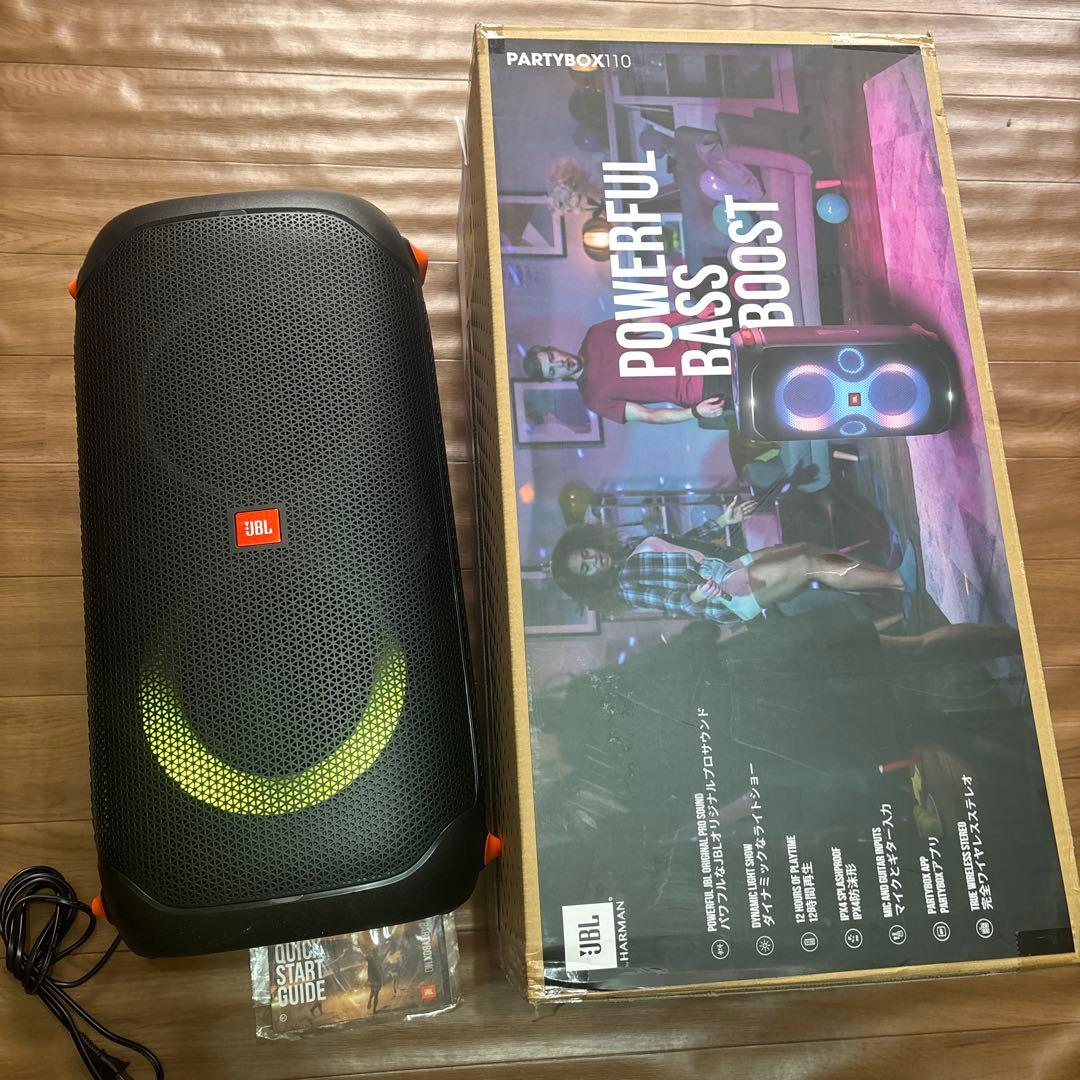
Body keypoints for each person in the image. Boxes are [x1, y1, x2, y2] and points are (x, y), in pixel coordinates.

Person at [550, 521, 919, 626]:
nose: (592, 560)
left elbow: (680, 544)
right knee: (807, 565)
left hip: (725, 569)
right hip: (726, 595)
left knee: (805, 549)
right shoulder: (626, 586)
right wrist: (702, 593)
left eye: (585, 554)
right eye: (585, 568)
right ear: (588, 581)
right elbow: (678, 605)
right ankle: (899, 580)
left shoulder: (631, 549)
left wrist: (722, 521)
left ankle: (884, 576)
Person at [523, 310, 731, 427]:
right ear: (555, 379)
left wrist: (691, 313)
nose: (559, 363)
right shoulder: (594, 399)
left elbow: (650, 322)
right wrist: (694, 412)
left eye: (552, 357)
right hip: (703, 389)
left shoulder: (596, 335)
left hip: (701, 347)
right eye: (552, 370)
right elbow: (648, 416)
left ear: (555, 349)